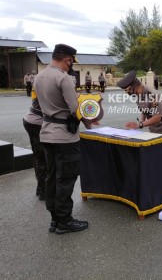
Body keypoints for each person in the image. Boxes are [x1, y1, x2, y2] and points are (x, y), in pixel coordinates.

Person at [34, 43, 97, 234]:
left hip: (46, 132)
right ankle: (64, 221)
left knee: (52, 177)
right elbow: (75, 109)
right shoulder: (64, 78)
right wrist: (89, 122)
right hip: (64, 137)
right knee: (66, 178)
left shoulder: (39, 76)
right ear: (68, 59)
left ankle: (54, 219)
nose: (71, 65)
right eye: (71, 62)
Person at [117, 70, 162, 135]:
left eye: (129, 91)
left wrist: (140, 125)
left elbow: (157, 118)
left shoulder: (154, 95)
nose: (129, 93)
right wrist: (141, 121)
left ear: (135, 88)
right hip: (153, 127)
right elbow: (144, 110)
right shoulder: (139, 93)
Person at [23, 87, 47, 200]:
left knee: (38, 156)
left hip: (30, 119)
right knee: (42, 158)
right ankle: (43, 192)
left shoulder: (40, 79)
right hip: (38, 122)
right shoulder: (50, 81)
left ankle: (40, 188)